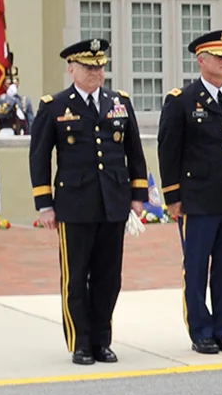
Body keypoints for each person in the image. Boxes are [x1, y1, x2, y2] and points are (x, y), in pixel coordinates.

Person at [27, 38, 147, 364]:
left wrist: (138, 197)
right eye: (88, 66)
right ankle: (80, 342)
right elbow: (39, 158)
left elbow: (134, 153)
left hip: (113, 203)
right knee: (76, 276)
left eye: (100, 66)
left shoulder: (118, 102)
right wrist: (45, 204)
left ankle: (102, 340)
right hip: (75, 204)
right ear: (71, 68)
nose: (96, 72)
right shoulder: (54, 106)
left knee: (109, 278)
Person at [157, 28, 222, 356]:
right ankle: (201, 331)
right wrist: (172, 196)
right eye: (219, 57)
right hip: (197, 199)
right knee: (197, 267)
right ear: (201, 61)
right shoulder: (182, 100)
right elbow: (168, 150)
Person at [0, 57, 33, 134]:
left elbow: (31, 121)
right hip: (6, 133)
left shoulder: (25, 100)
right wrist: (10, 98)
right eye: (9, 82)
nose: (12, 85)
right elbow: (1, 114)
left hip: (23, 134)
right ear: (4, 84)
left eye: (15, 82)